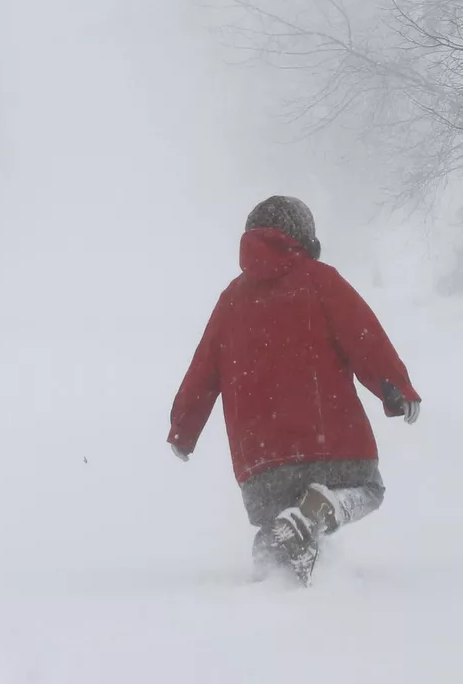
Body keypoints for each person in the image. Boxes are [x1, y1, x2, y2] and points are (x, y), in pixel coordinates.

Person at [167, 195, 421, 584]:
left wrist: (184, 429)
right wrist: (396, 388)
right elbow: (364, 339)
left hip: (260, 463)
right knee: (368, 490)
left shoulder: (230, 301)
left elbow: (202, 372)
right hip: (331, 446)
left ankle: (274, 564)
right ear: (303, 238)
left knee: (280, 519)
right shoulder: (320, 282)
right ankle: (319, 511)